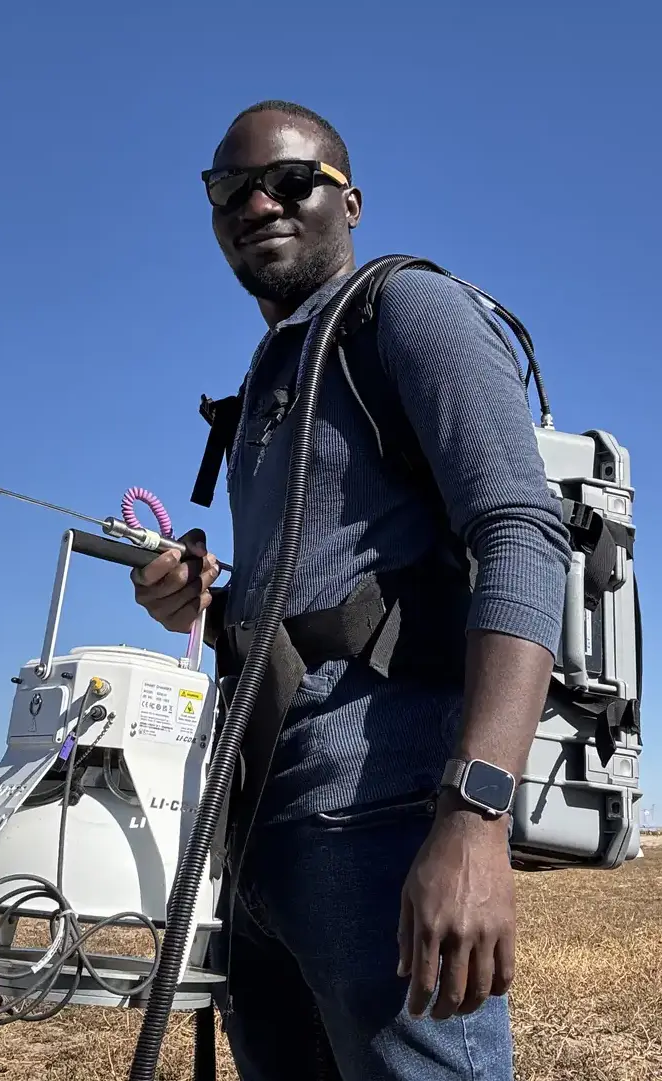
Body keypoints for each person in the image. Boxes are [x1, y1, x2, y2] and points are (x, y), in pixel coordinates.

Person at [131, 100, 572, 1081]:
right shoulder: (267, 376)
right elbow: (321, 593)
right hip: (256, 842)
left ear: (351, 200)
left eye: (290, 181)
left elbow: (522, 537)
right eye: (229, 188)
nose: (257, 201)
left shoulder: (405, 311)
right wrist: (209, 593)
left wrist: (474, 820)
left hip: (382, 826)